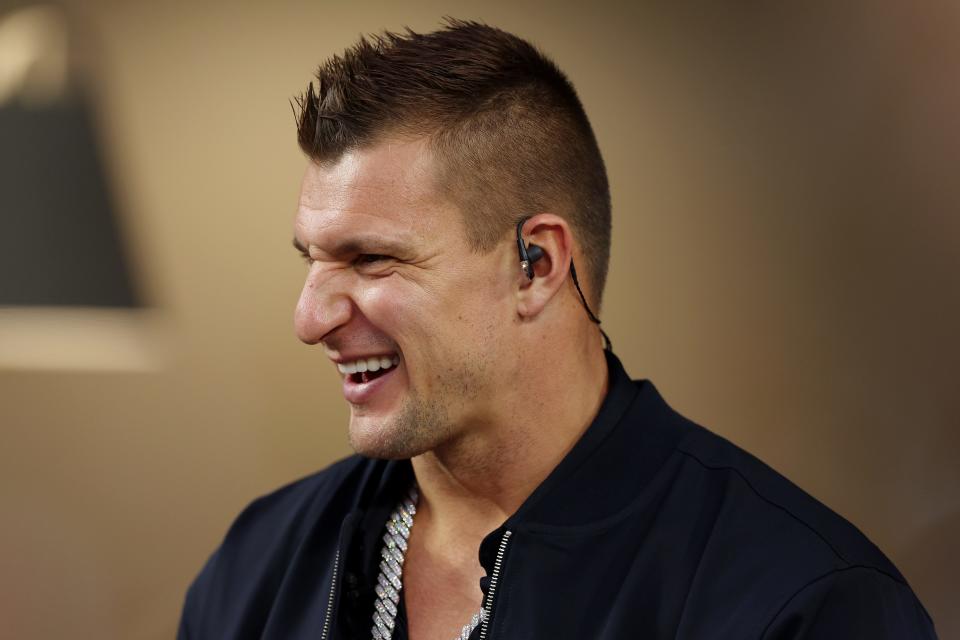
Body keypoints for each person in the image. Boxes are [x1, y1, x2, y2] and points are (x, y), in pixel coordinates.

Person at [178, 19, 938, 640]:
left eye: (372, 260)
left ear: (536, 263)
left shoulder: (803, 603)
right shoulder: (261, 563)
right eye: (312, 259)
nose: (311, 318)